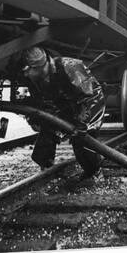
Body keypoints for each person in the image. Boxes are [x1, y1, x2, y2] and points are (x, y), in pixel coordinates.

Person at [21, 46, 105, 178]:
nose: (26, 74)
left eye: (28, 70)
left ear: (39, 67)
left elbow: (89, 97)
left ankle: (95, 172)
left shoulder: (70, 66)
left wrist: (82, 123)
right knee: (47, 127)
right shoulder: (37, 78)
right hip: (66, 104)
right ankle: (45, 167)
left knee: (82, 141)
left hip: (89, 104)